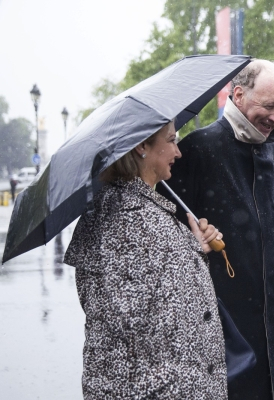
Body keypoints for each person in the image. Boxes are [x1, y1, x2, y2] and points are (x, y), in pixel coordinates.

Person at [158, 59, 274, 400]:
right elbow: (165, 236)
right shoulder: (197, 148)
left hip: (272, 328)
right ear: (238, 95)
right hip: (223, 326)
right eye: (269, 106)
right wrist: (196, 241)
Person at [64, 121, 227, 399]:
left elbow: (163, 291)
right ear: (142, 146)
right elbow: (130, 322)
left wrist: (194, 248)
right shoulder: (126, 217)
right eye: (172, 140)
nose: (178, 152)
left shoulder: (138, 208)